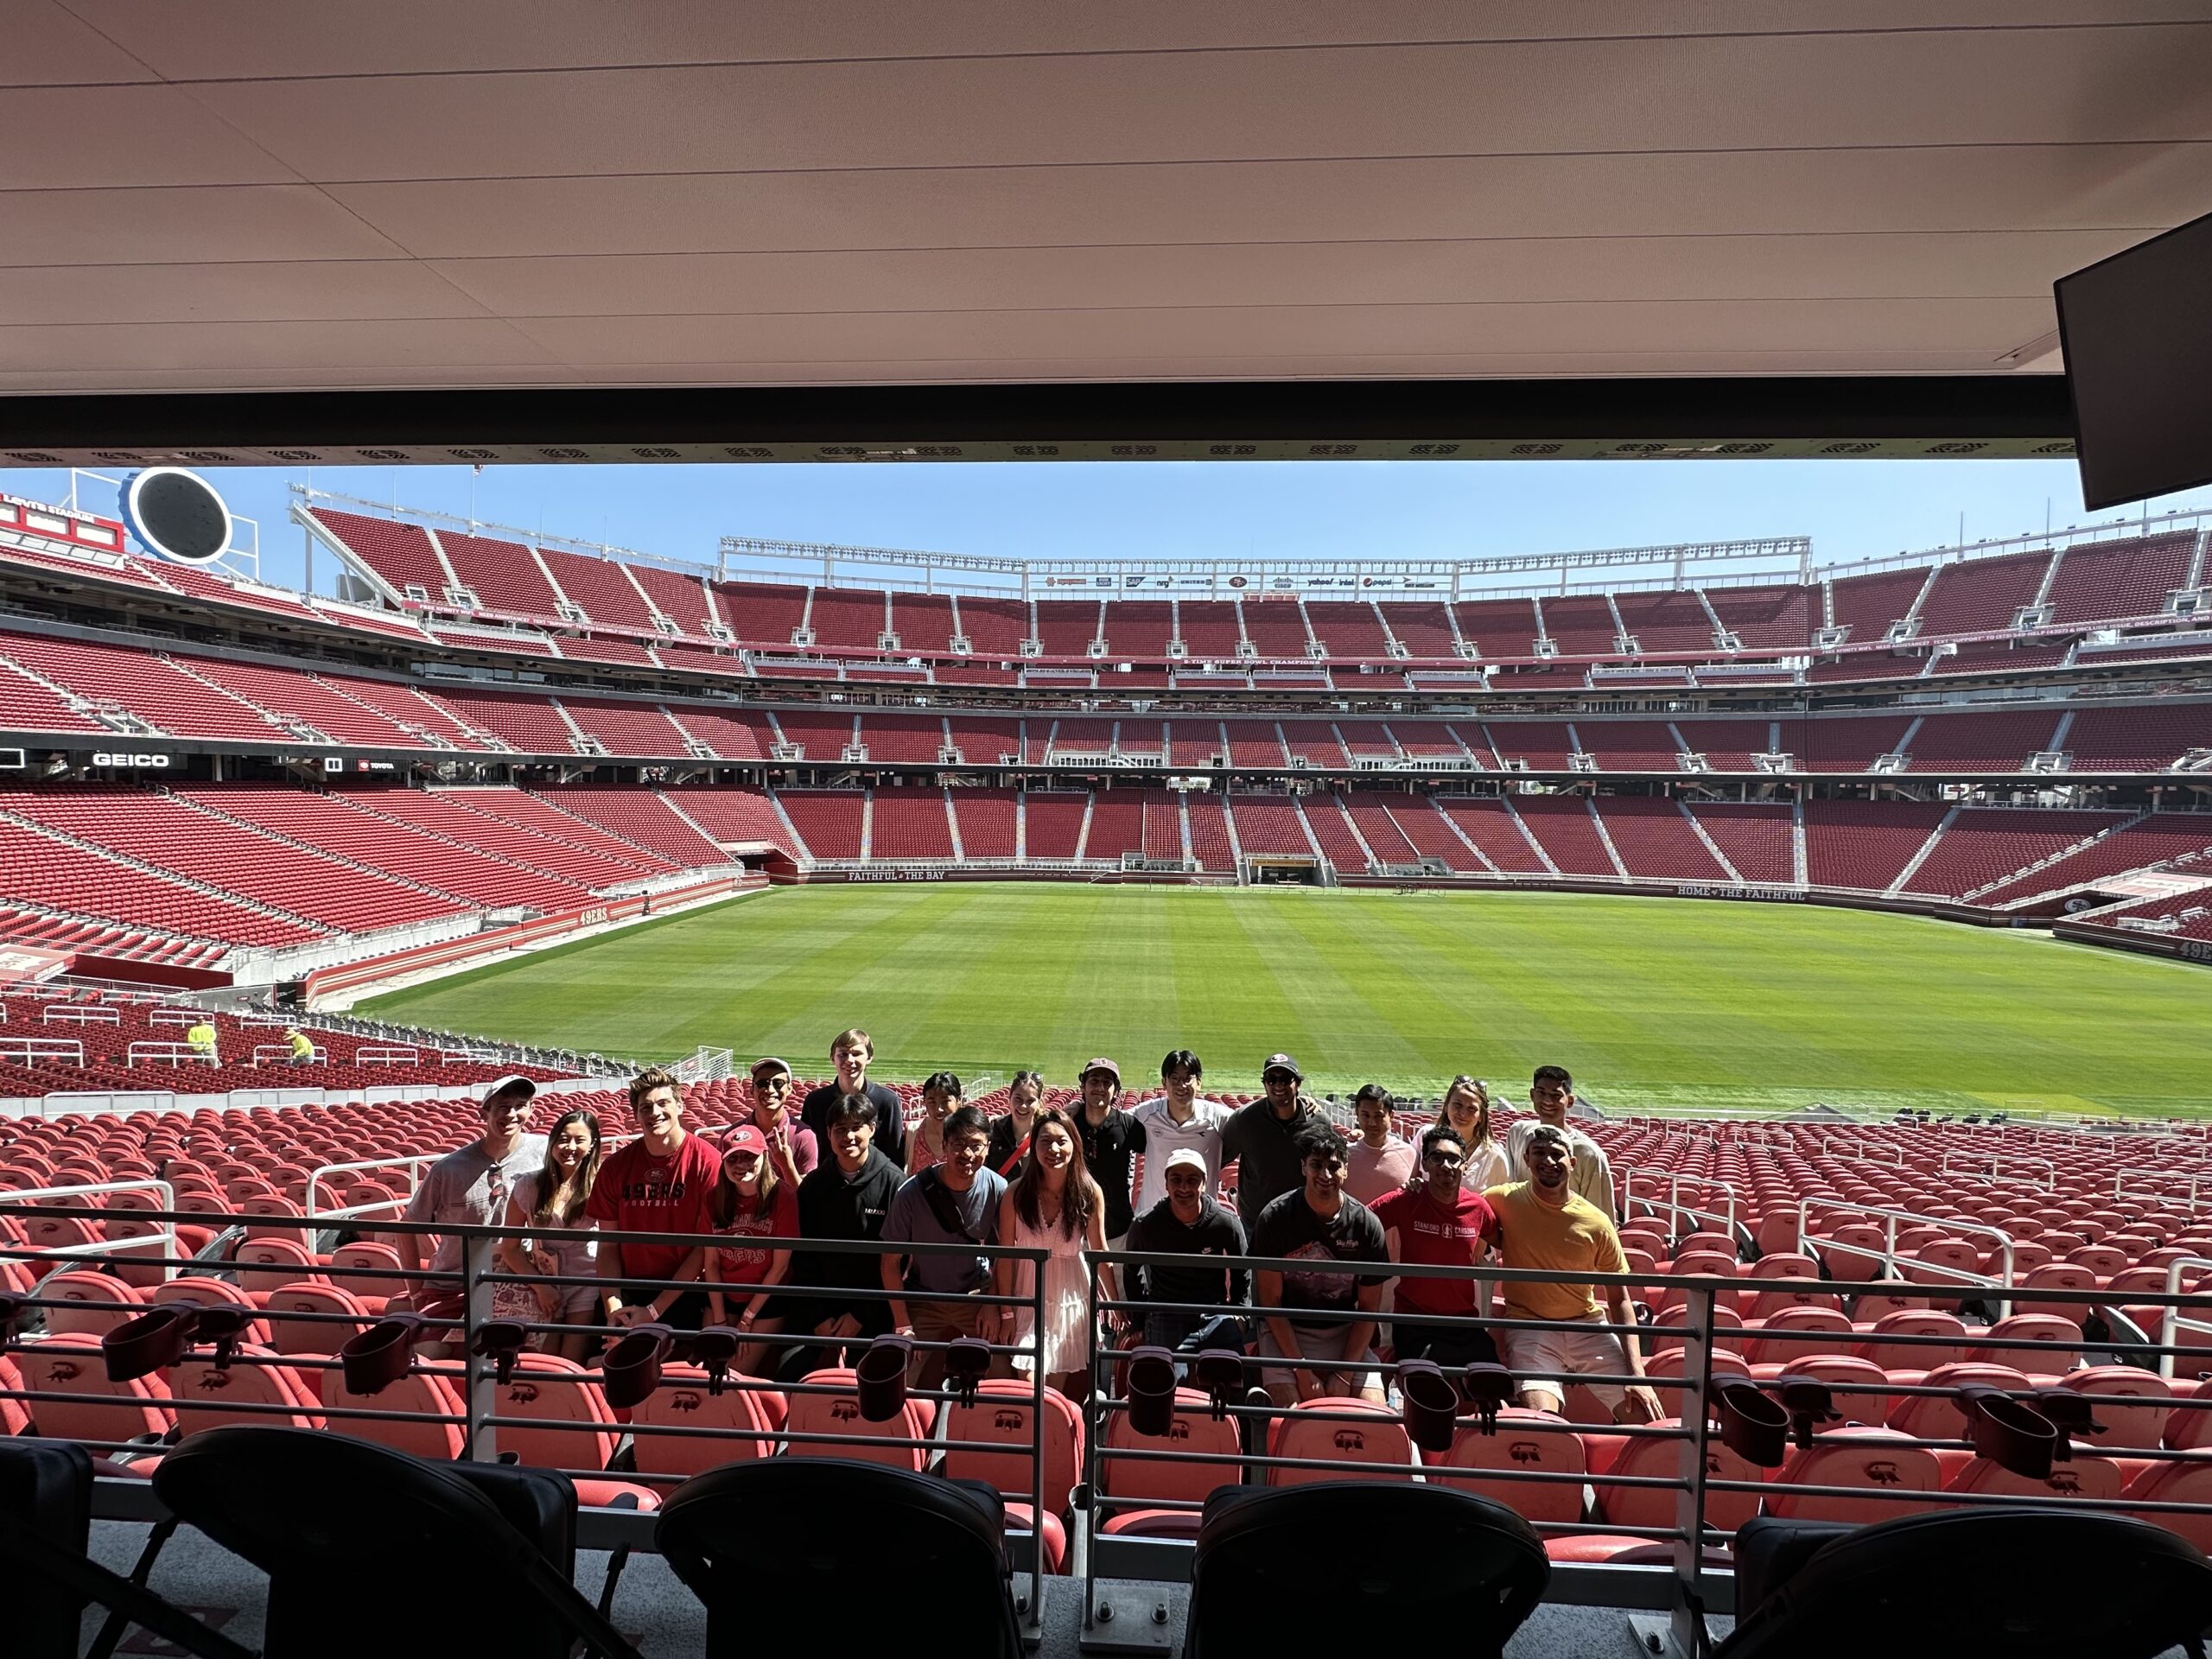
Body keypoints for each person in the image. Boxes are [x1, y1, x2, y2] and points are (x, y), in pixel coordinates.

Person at [1484, 1123, 1662, 1425]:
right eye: (1539, 1153)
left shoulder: (1596, 1222)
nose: (1548, 1161)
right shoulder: (1502, 1199)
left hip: (1587, 1325)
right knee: (1542, 1422)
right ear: (1526, 1159)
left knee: (1644, 1418)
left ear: (1572, 1162)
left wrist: (1638, 1375)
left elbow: (1619, 1299)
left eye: (1556, 1154)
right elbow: (1457, 1207)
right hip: (1530, 1327)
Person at [1249, 1121, 1391, 1405]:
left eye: (1334, 1166)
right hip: (1286, 1331)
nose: (1325, 1175)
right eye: (1316, 1165)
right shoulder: (1275, 1218)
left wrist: (1344, 1375)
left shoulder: (1365, 1225)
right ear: (1303, 1167)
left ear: (1347, 1170)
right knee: (1289, 1415)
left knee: (1373, 1413)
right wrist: (1302, 1372)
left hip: (1344, 1332)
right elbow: (1271, 1304)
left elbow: (1368, 1309)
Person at [401, 1074, 544, 1351]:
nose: (512, 1114)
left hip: (517, 1282)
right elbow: (408, 1226)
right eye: (502, 1106)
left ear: (531, 1110)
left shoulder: (544, 1153)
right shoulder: (449, 1169)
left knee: (512, 1364)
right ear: (485, 1112)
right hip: (453, 1284)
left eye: (520, 1105)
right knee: (429, 1359)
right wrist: (414, 1288)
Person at [880, 1105, 1011, 1389]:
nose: (967, 1154)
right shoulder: (911, 1193)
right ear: (945, 1145)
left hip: (975, 1297)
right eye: (959, 1145)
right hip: (923, 1297)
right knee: (900, 1376)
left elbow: (1006, 1255)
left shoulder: (998, 1188)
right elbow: (889, 1262)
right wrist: (903, 1324)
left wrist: (994, 1304)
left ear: (988, 1148)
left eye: (976, 1145)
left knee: (1003, 1373)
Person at [994, 1104, 1112, 1396]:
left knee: (1053, 1391)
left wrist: (1115, 1303)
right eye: (1045, 1141)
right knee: (1029, 1381)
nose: (1054, 1149)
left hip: (1070, 1299)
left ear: (1075, 1145)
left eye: (1062, 1140)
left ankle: (1048, 1441)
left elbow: (1100, 1250)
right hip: (1027, 1297)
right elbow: (1005, 1255)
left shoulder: (1089, 1192)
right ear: (1033, 1147)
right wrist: (1006, 1312)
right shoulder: (1016, 1193)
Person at [588, 1066, 716, 1330]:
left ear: (680, 1106)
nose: (655, 1113)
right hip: (629, 1285)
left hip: (686, 1288)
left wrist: (654, 1311)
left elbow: (704, 1249)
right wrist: (614, 1308)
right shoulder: (615, 1167)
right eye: (646, 1107)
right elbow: (609, 1246)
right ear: (636, 1114)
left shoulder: (708, 1161)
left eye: (663, 1103)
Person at [791, 1092, 903, 1367]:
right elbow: (802, 1256)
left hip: (874, 1309)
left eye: (856, 1128)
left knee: (870, 1385)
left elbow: (899, 1263)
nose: (848, 1137)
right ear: (828, 1133)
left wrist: (860, 1315)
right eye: (840, 1129)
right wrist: (818, 1316)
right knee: (792, 1375)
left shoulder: (894, 1184)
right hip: (820, 1309)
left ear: (872, 1129)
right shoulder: (812, 1187)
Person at [1371, 1124, 1497, 1366]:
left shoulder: (1478, 1208)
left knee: (1491, 1381)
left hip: (1463, 1322)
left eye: (1453, 1159)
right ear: (1425, 1164)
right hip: (1414, 1322)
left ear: (1465, 1165)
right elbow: (1361, 1221)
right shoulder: (1407, 1199)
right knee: (1427, 1381)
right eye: (1437, 1158)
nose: (1445, 1165)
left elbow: (1501, 1239)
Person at [498, 1107, 602, 1361]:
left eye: (580, 1140)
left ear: (592, 1145)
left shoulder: (601, 1184)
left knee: (569, 1363)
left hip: (585, 1285)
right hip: (543, 1283)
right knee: (545, 1361)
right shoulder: (528, 1186)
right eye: (564, 1139)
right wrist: (542, 1287)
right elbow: (509, 1249)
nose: (570, 1146)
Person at [1124, 1147, 1249, 1353]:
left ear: (1203, 1183)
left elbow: (1242, 1269)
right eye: (1176, 1180)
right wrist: (1141, 1316)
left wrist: (1240, 1313)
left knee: (1235, 1374)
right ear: (1166, 1183)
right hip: (1166, 1312)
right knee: (1169, 1378)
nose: (1184, 1187)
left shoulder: (1225, 1222)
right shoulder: (1145, 1224)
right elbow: (1132, 1272)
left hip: (1214, 1311)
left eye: (1192, 1180)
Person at [702, 1124, 798, 1376]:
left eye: (749, 1156)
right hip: (723, 1295)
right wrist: (720, 1322)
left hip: (766, 1297)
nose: (740, 1164)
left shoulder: (783, 1197)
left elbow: (780, 1267)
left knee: (732, 1374)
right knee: (709, 1368)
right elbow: (711, 1264)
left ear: (764, 1157)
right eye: (732, 1158)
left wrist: (748, 1317)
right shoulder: (714, 1198)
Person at [1221, 1052, 1325, 1230]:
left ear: (1298, 1084)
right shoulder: (1244, 1119)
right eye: (1271, 1079)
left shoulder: (1318, 1121)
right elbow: (1218, 1159)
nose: (1278, 1085)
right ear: (1264, 1084)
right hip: (1255, 1224)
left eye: (1285, 1079)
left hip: (1302, 1222)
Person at [1504, 1065, 1616, 1217]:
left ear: (1569, 1101)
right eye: (1541, 1093)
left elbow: (1601, 1214)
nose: (1547, 1101)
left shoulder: (1589, 1153)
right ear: (1532, 1095)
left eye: (1556, 1095)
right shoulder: (1517, 1133)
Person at [1128, 1049, 1229, 1216]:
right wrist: (1080, 1106)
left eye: (1188, 1079)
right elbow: (1109, 1119)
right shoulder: (1147, 1114)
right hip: (1153, 1219)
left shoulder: (1218, 1118)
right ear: (1164, 1082)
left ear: (1199, 1082)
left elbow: (1251, 1123)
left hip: (1201, 1220)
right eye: (1174, 1079)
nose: (1182, 1086)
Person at [799, 1027, 906, 1167]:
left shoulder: (888, 1101)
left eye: (856, 1054)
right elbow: (809, 1152)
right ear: (833, 1058)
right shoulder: (815, 1102)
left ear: (869, 1057)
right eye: (843, 1054)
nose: (849, 1060)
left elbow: (895, 1156)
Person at [1072, 1058, 1143, 1248]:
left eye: (1107, 1082)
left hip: (1117, 1230)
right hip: (1075, 1231)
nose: (1100, 1087)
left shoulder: (1129, 1125)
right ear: (1083, 1086)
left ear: (1116, 1090)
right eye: (1094, 1081)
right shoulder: (1069, 1124)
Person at [745, 1056, 817, 1186]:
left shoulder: (804, 1137)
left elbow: (806, 1196)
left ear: (789, 1089)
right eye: (762, 1083)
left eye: (778, 1083)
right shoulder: (734, 1134)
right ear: (751, 1089)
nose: (770, 1090)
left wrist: (786, 1165)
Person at [1342, 1084, 1416, 1205]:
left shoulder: (1410, 1154)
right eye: (1365, 1115)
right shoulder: (1344, 1155)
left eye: (1379, 1116)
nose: (1372, 1123)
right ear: (1357, 1114)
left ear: (1391, 1116)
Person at [1438, 1075, 1510, 1193]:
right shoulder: (1424, 1137)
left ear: (1481, 1116)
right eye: (1458, 1104)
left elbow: (1504, 1201)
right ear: (1446, 1106)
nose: (1463, 1113)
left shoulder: (1495, 1156)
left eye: (1471, 1109)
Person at [986, 1070, 1046, 1177]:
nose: (1023, 1106)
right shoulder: (993, 1128)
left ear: (1039, 1103)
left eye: (1030, 1101)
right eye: (1018, 1099)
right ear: (1010, 1097)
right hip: (1000, 1193)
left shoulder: (1046, 1132)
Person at [905, 1071, 964, 1176]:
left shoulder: (970, 1136)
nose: (939, 1109)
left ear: (958, 1101)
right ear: (924, 1102)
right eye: (932, 1102)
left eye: (945, 1101)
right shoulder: (912, 1132)